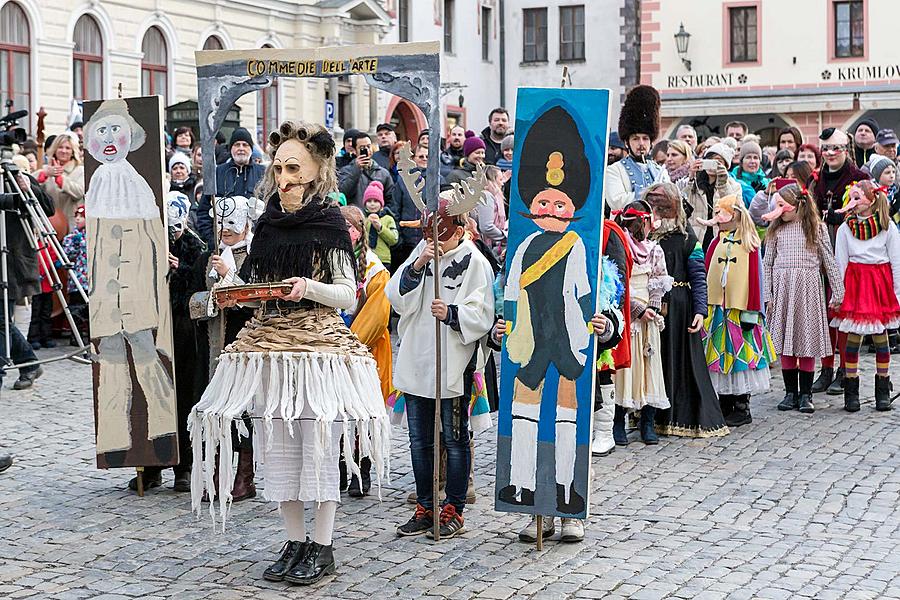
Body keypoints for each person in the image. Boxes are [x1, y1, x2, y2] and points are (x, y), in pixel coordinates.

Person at [189, 121, 390, 586]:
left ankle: (323, 545)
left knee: (318, 447)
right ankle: (294, 540)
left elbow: (347, 295)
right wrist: (229, 281)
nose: (284, 177)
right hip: (272, 349)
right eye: (278, 167)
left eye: (293, 167)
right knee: (278, 446)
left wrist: (308, 288)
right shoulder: (267, 223)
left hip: (317, 350)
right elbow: (256, 288)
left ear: (318, 168)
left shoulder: (330, 221)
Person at [387, 194, 495, 539]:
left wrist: (450, 314)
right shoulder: (420, 255)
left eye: (443, 233)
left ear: (460, 228)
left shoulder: (474, 262)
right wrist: (418, 266)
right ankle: (425, 505)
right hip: (419, 358)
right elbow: (396, 297)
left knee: (455, 438)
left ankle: (454, 508)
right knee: (419, 441)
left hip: (452, 364)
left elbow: (483, 312)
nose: (437, 240)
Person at [189, 195, 264, 503]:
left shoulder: (255, 256)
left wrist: (229, 278)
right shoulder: (213, 257)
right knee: (217, 412)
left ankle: (244, 478)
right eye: (222, 227)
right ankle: (217, 476)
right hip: (217, 345)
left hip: (245, 344)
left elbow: (258, 298)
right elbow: (196, 301)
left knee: (243, 411)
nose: (227, 232)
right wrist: (208, 298)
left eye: (232, 226)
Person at [131, 191, 206, 492]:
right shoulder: (144, 242)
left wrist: (179, 270)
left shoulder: (195, 245)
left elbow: (198, 291)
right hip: (151, 330)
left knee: (184, 397)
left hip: (183, 332)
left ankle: (183, 466)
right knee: (151, 395)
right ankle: (149, 465)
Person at [646, 184, 728, 438]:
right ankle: (649, 416)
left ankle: (679, 416)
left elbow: (698, 275)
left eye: (662, 209)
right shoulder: (645, 238)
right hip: (651, 305)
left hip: (681, 306)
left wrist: (700, 310)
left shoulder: (688, 238)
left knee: (681, 360)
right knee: (654, 359)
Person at [760, 184, 843, 414]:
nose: (779, 211)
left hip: (807, 289)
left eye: (782, 206)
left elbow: (829, 259)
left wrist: (838, 291)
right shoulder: (776, 230)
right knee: (787, 343)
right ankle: (790, 393)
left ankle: (806, 394)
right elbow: (767, 263)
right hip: (783, 287)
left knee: (805, 341)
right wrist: (768, 294)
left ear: (798, 205)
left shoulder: (816, 228)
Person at [700, 195, 776, 427]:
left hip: (739, 310)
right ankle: (723, 402)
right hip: (717, 310)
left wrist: (755, 308)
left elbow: (756, 277)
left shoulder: (749, 244)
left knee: (740, 355)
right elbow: (706, 271)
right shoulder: (715, 243)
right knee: (719, 358)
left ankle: (741, 405)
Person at [808, 128, 870, 396]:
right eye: (826, 149)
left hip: (849, 250)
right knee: (823, 313)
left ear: (846, 149)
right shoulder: (816, 179)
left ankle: (846, 369)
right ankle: (826, 368)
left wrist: (843, 218)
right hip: (820, 251)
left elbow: (870, 211)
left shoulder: (859, 178)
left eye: (836, 149)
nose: (830, 154)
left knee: (842, 313)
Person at [829, 180, 900, 412]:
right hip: (855, 284)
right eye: (851, 198)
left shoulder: (887, 227)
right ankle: (851, 391)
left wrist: (898, 294)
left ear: (872, 200)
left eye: (858, 198)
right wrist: (838, 293)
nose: (853, 204)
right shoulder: (845, 229)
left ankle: (882, 388)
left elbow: (896, 262)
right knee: (853, 337)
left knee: (881, 336)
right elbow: (841, 262)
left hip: (879, 284)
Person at [339, 205, 393, 497]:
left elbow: (376, 315)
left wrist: (349, 344)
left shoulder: (375, 270)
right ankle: (338, 468)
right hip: (333, 349)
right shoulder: (328, 264)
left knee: (363, 414)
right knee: (336, 413)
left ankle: (362, 469)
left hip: (363, 352)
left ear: (358, 232)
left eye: (348, 228)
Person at [612, 200, 673, 446]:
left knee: (648, 369)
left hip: (648, 319)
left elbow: (658, 280)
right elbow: (618, 282)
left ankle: (647, 422)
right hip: (628, 315)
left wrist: (653, 310)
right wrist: (636, 310)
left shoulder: (654, 249)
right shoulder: (621, 245)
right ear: (643, 222)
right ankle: (618, 421)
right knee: (625, 372)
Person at [0, 170, 53, 390]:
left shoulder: (14, 175)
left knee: (2, 319)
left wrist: (28, 189)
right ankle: (29, 362)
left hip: (11, 263)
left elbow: (48, 209)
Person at [591, 218, 633, 456]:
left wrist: (610, 320)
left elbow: (616, 280)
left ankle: (604, 433)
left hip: (601, 313)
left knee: (603, 367)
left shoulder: (608, 231)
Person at [197, 127, 266, 248]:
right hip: (223, 245)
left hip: (256, 245)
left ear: (251, 149)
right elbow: (204, 210)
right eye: (237, 144)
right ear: (231, 149)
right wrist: (212, 239)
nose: (241, 148)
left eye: (245, 145)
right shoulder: (217, 172)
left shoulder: (263, 174)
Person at [606, 85, 670, 211]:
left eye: (645, 138)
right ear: (626, 143)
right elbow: (617, 202)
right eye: (635, 138)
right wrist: (652, 196)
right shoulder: (614, 170)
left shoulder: (660, 171)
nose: (641, 143)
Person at [680, 141, 743, 249]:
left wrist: (723, 184)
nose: (712, 164)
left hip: (720, 238)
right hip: (695, 239)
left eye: (718, 162)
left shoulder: (733, 185)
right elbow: (682, 206)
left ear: (726, 166)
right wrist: (690, 177)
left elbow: (735, 210)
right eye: (709, 160)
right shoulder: (694, 182)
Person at [389, 143, 427, 272]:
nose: (424, 158)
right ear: (414, 158)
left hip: (427, 242)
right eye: (421, 156)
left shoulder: (437, 180)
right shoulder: (403, 180)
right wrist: (399, 237)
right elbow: (395, 209)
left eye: (427, 156)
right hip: (406, 242)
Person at [37, 132, 84, 231]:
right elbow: (30, 186)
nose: (64, 151)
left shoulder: (80, 171)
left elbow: (79, 192)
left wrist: (61, 179)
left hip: (72, 226)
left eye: (68, 148)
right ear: (54, 150)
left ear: (73, 152)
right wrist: (44, 176)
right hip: (49, 227)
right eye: (60, 147)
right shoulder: (46, 170)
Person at [338, 132, 395, 209]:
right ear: (354, 151)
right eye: (362, 148)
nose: (366, 150)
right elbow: (342, 193)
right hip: (355, 217)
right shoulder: (345, 171)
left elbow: (391, 200)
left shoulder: (383, 173)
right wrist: (356, 169)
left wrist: (381, 214)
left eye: (368, 146)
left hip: (377, 218)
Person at [62, 205, 89, 346]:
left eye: (81, 216)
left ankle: (92, 336)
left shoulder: (94, 236)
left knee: (90, 310)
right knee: (76, 309)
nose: (78, 219)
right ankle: (76, 337)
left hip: (92, 281)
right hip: (77, 280)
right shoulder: (71, 237)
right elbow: (65, 256)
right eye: (76, 216)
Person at [26, 237, 58, 350]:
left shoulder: (47, 243)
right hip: (34, 285)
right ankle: (33, 338)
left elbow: (53, 258)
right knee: (35, 313)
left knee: (46, 313)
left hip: (47, 284)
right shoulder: (30, 242)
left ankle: (46, 337)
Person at [362, 181, 398, 269]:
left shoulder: (388, 219)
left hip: (383, 259)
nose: (372, 204)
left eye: (376, 201)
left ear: (381, 204)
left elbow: (394, 239)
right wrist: (365, 223)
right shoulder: (362, 218)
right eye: (369, 201)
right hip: (364, 258)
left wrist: (380, 228)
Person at [475, 165, 508, 258]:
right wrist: (504, 236)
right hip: (483, 245)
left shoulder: (486, 194)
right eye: (500, 179)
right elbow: (486, 227)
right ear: (493, 180)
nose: (502, 183)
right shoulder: (486, 195)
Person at [731, 141, 770, 207]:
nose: (752, 161)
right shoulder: (733, 181)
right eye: (748, 157)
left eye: (755, 158)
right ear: (741, 161)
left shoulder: (767, 183)